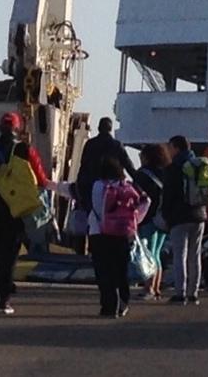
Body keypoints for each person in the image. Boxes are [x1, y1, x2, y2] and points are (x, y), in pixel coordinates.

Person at [0, 111, 47, 315]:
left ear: (0, 128)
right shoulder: (25, 149)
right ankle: (5, 299)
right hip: (17, 209)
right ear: (18, 128)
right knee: (10, 255)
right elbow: (40, 178)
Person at [89, 157, 149, 317]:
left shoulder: (98, 185)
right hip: (124, 233)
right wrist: (135, 221)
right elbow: (146, 201)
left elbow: (97, 207)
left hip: (100, 234)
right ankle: (123, 302)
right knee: (121, 271)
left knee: (104, 271)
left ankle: (108, 305)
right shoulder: (128, 187)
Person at [75, 117, 138, 252]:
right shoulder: (117, 145)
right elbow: (128, 165)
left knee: (92, 219)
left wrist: (79, 186)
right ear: (110, 129)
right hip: (112, 189)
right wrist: (139, 180)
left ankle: (88, 248)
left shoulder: (90, 144)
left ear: (99, 128)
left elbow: (83, 166)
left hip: (91, 186)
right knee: (111, 218)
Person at [161, 135, 207, 305]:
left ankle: (180, 293)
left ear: (177, 147)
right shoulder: (199, 164)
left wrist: (166, 215)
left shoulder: (174, 168)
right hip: (200, 214)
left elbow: (168, 194)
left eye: (170, 147)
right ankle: (193, 293)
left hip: (179, 216)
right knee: (195, 255)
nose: (168, 151)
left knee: (180, 255)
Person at [133, 143, 170, 300]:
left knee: (148, 254)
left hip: (148, 218)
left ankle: (148, 288)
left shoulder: (142, 175)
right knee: (157, 254)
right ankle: (156, 288)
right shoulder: (166, 173)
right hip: (163, 218)